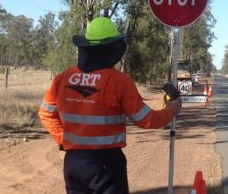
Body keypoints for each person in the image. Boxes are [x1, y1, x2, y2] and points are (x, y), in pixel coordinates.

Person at [39, 16, 182, 194]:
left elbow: (45, 113)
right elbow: (145, 119)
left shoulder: (62, 79)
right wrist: (171, 111)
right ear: (112, 48)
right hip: (106, 164)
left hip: (73, 162)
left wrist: (63, 138)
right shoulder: (119, 82)